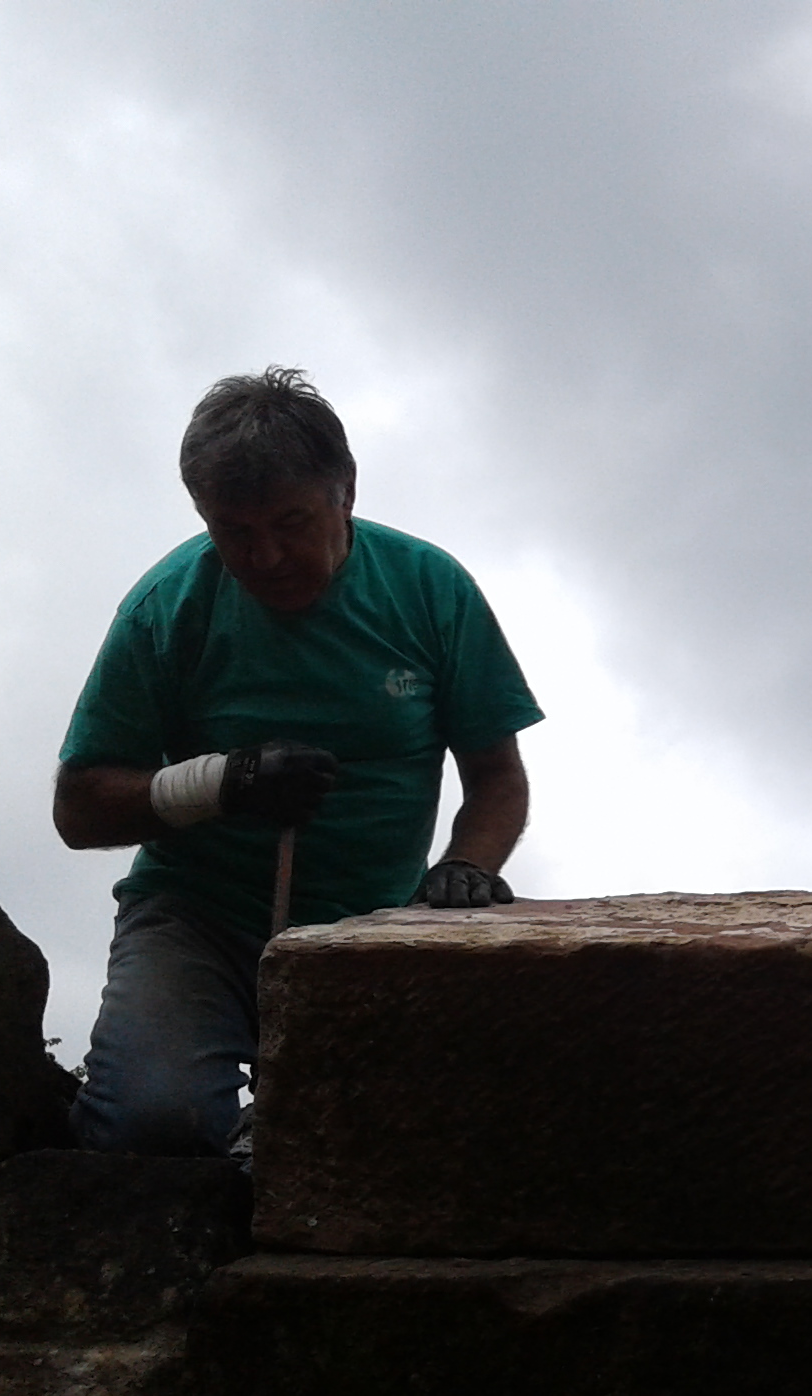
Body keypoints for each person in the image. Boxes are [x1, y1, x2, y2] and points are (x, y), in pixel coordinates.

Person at [55, 367, 544, 1157]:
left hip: (377, 928)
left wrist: (466, 867)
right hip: (197, 921)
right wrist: (224, 784)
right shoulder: (168, 607)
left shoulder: (430, 590)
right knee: (150, 1124)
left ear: (345, 492)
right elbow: (79, 807)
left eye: (291, 522)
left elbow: (497, 778)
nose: (267, 556)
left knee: (409, 1145)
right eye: (234, 532)